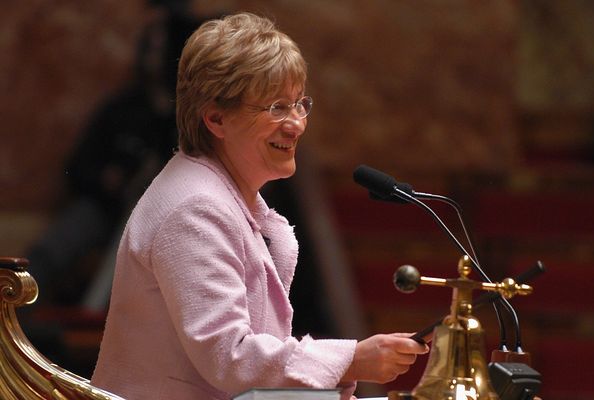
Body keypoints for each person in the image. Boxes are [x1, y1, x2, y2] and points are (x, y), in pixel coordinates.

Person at [91, 12, 429, 400]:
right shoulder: (195, 208)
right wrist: (351, 359)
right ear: (216, 118)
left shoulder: (216, 194)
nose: (297, 124)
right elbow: (229, 356)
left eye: (300, 103)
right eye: (276, 108)